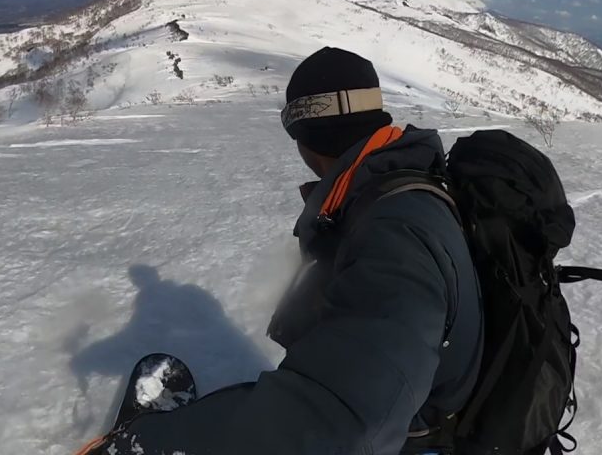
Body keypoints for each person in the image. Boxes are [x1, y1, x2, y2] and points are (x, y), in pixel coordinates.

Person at [104, 47, 483, 454]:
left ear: (305, 135)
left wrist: (143, 444)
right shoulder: (394, 185)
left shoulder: (395, 233)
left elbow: (337, 426)